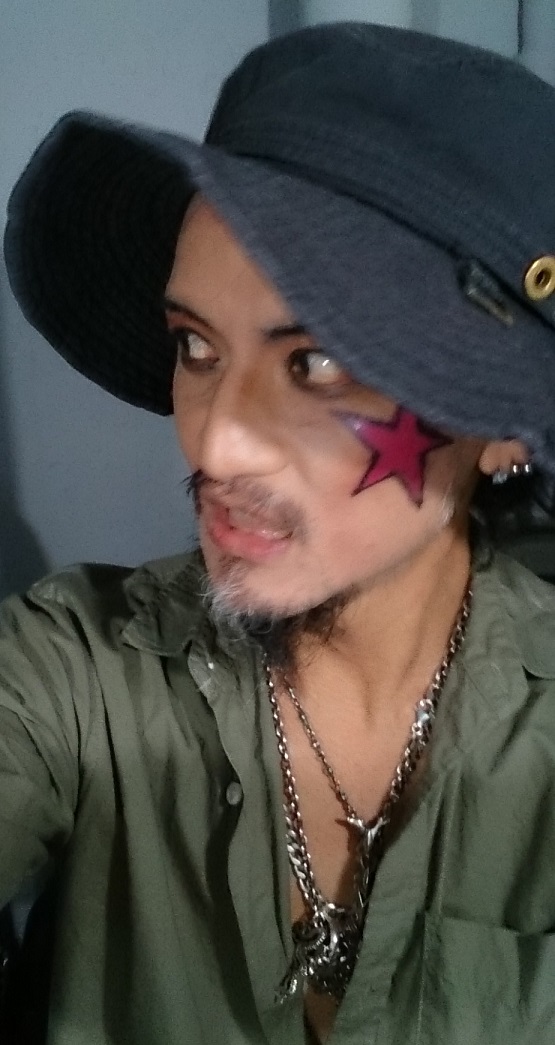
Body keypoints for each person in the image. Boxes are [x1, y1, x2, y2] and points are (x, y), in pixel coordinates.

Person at [2, 20, 555, 1045]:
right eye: (194, 345)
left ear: (504, 429)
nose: (215, 443)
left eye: (316, 362)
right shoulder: (77, 671)